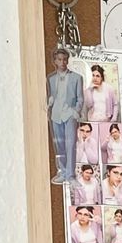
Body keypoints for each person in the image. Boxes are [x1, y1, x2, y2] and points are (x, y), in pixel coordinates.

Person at [47, 47, 83, 183]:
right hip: (56, 115)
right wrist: (50, 102)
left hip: (69, 114)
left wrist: (75, 112)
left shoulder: (76, 78)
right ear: (55, 61)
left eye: (65, 59)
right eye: (59, 60)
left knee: (70, 144)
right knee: (59, 145)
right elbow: (53, 95)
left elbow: (80, 98)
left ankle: (71, 175)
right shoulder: (51, 78)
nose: (62, 62)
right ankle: (62, 172)